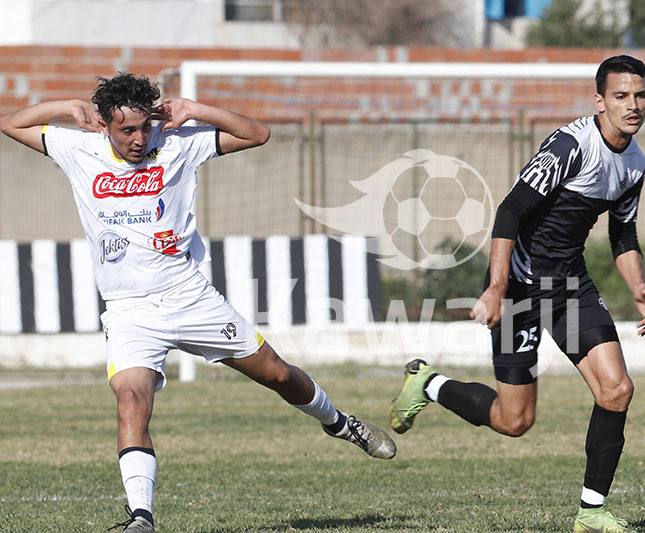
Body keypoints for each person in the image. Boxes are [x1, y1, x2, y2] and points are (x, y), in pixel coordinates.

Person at [0, 73, 396, 533]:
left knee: (279, 375)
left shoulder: (177, 143)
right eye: (126, 130)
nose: (138, 138)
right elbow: (9, 123)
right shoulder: (77, 148)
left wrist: (195, 110)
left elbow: (258, 133)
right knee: (131, 398)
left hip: (190, 298)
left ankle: (341, 423)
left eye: (144, 127)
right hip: (129, 311)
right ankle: (141, 518)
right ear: (104, 126)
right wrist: (65, 105)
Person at [390, 55, 645, 533]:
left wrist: (638, 286)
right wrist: (495, 289)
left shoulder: (633, 163)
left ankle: (591, 513)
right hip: (519, 288)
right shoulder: (571, 145)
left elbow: (623, 235)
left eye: (640, 95)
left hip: (570, 284)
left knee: (616, 389)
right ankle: (427, 384)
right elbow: (510, 211)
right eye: (620, 96)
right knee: (514, 421)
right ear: (600, 101)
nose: (632, 105)